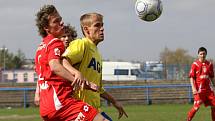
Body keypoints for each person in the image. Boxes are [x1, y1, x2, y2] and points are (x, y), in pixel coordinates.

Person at [35, 5, 111, 121]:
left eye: (60, 19)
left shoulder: (41, 47)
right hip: (62, 103)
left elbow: (44, 75)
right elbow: (55, 66)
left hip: (46, 105)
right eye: (56, 21)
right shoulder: (55, 43)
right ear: (47, 28)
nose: (61, 23)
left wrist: (86, 84)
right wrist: (77, 76)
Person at [62, 12, 128, 120]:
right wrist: (76, 73)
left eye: (102, 25)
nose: (102, 29)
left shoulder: (97, 53)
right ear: (86, 30)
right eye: (97, 25)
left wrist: (114, 102)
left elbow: (98, 88)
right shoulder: (81, 44)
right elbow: (63, 61)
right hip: (81, 109)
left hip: (95, 109)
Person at [34, 24, 77, 106]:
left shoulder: (75, 53)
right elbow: (42, 74)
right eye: (64, 36)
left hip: (70, 94)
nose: (67, 39)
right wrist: (37, 92)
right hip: (56, 95)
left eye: (69, 36)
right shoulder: (53, 54)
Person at [186, 47, 215, 121]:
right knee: (196, 107)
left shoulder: (210, 64)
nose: (202, 55)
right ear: (198, 55)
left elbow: (211, 77)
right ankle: (188, 119)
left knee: (214, 106)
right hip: (199, 91)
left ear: (206, 54)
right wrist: (193, 88)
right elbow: (191, 77)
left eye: (204, 53)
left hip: (208, 90)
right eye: (201, 54)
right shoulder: (195, 64)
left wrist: (214, 85)